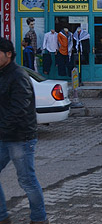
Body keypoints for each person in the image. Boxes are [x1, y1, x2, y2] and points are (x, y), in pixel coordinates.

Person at [0, 37, 49, 224]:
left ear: (8, 54)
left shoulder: (18, 75)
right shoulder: (2, 74)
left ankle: (39, 219)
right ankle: (2, 216)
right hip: (4, 136)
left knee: (27, 181)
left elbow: (18, 109)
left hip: (21, 138)